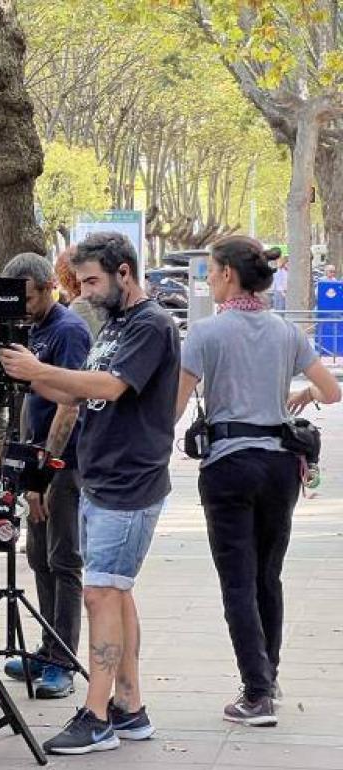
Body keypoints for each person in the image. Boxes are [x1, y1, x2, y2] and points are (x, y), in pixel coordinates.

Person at [0, 232, 179, 755]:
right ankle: (130, 707)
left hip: (130, 481)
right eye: (82, 281)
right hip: (104, 478)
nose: (87, 291)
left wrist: (40, 369)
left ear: (125, 273)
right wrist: (26, 376)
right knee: (115, 590)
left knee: (100, 592)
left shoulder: (151, 325)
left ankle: (97, 715)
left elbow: (109, 387)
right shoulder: (118, 324)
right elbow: (75, 389)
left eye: (95, 280)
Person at [174, 236, 340, 726]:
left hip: (228, 465)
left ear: (228, 276)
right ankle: (270, 672)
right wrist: (305, 390)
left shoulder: (205, 334)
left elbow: (174, 409)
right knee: (268, 574)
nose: (207, 279)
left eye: (211, 271)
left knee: (237, 582)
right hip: (279, 467)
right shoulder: (285, 332)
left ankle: (257, 692)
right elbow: (330, 391)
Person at [0, 253, 92, 699]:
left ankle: (63, 661)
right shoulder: (32, 329)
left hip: (65, 464)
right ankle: (47, 646)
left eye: (30, 298)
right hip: (37, 462)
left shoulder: (68, 330)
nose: (25, 307)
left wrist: (47, 474)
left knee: (63, 559)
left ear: (49, 287)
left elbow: (70, 402)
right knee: (39, 556)